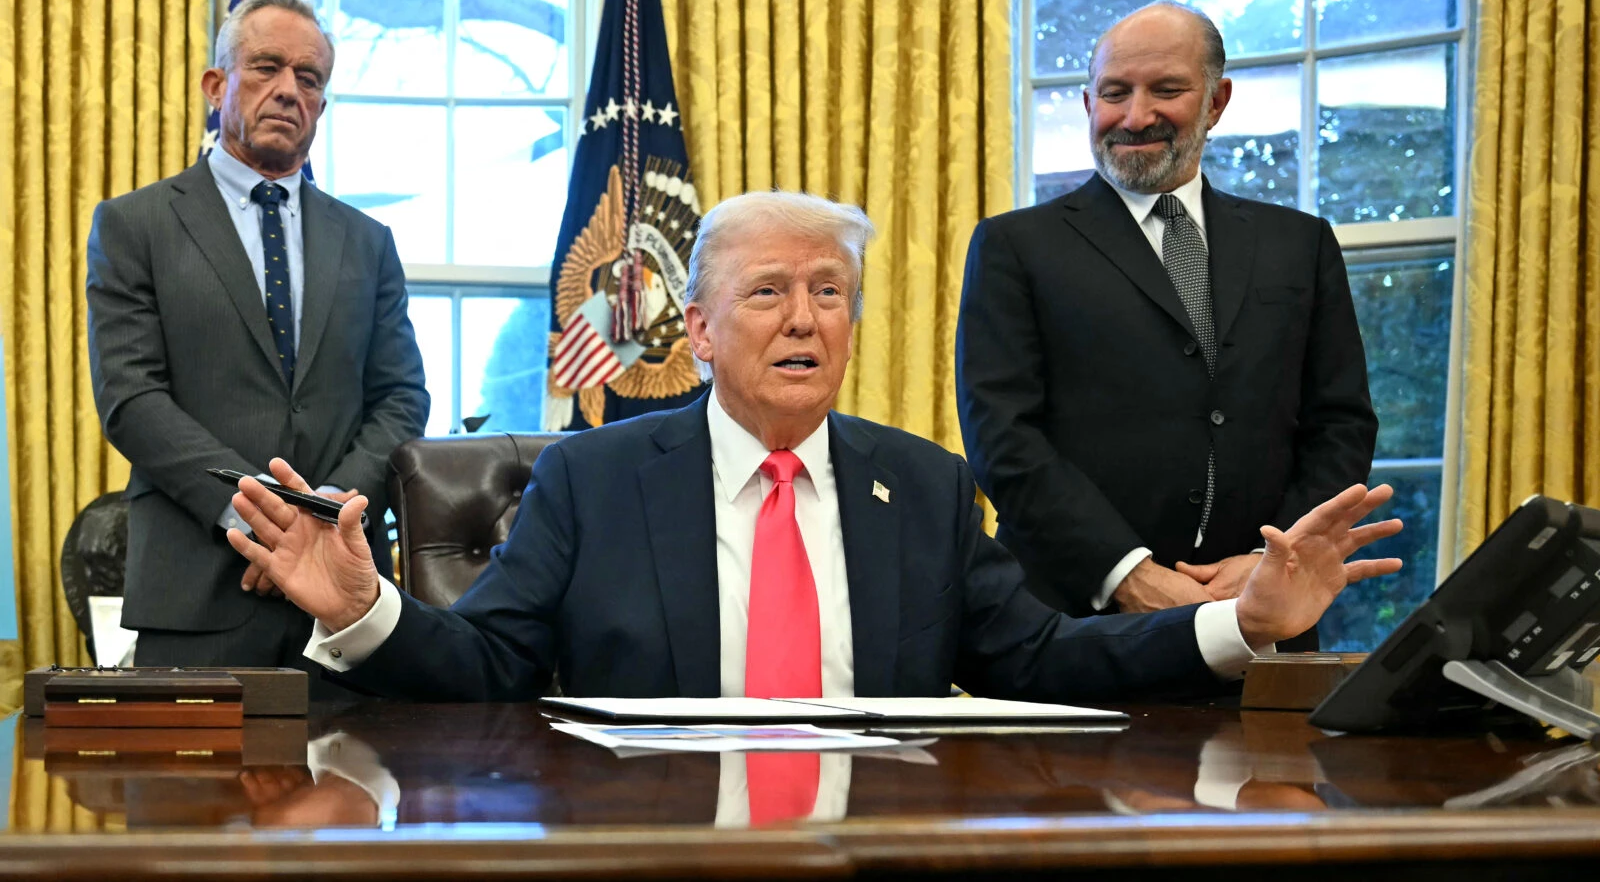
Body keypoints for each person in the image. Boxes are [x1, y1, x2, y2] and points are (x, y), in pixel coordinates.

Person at [224, 190, 1398, 706]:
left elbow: (1043, 659)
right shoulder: (593, 476)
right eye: (770, 292)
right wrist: (363, 607)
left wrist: (1240, 622)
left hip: (872, 845)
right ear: (697, 328)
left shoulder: (926, 483)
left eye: (830, 291)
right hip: (654, 851)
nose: (804, 318)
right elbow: (488, 667)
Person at [956, 3, 1378, 636]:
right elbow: (1002, 434)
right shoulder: (1015, 247)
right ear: (1087, 102)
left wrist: (1271, 560)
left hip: (1263, 617)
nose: (1136, 116)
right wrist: (1128, 574)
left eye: (1167, 90)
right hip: (1071, 623)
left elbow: (1339, 422)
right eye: (1114, 93)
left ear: (1216, 101)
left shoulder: (1301, 244)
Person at [85, 0, 429, 685]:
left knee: (354, 790)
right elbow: (131, 397)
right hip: (196, 594)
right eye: (267, 66)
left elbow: (400, 399)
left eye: (309, 79)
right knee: (187, 797)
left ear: (322, 107)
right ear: (217, 86)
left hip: (342, 606)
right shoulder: (135, 226)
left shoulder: (369, 242)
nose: (288, 90)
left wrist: (325, 516)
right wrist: (265, 522)